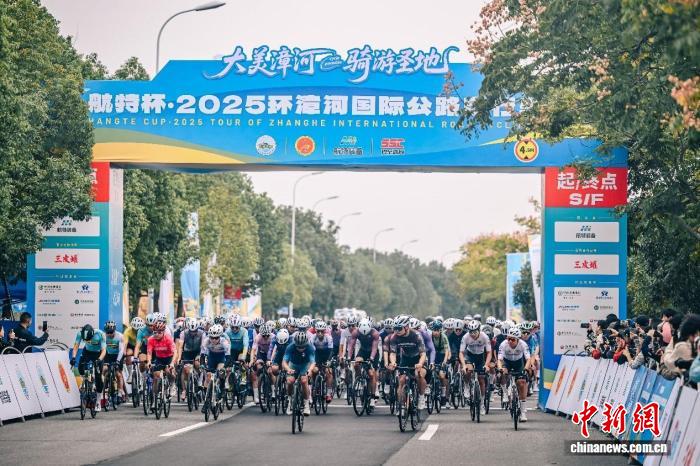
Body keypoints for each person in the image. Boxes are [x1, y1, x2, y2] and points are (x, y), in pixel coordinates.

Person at [387, 315, 427, 410]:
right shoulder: (394, 337)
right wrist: (393, 362)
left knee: (418, 375)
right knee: (401, 380)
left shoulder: (416, 335)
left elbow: (423, 353)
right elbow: (392, 353)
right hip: (405, 359)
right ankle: (402, 405)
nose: (396, 331)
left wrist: (420, 364)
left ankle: (421, 397)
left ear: (406, 327)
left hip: (418, 358)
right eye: (395, 328)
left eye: (399, 328)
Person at [497, 327, 531, 422]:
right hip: (507, 362)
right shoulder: (503, 344)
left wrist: (525, 369)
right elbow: (499, 359)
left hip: (518, 363)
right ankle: (505, 392)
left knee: (521, 383)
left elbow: (528, 359)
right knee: (503, 373)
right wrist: (500, 368)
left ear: (517, 339)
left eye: (512, 339)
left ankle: (523, 412)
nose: (510, 341)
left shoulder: (523, 344)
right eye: (508, 338)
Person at [459, 319, 492, 415]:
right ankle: (466, 385)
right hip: (470, 355)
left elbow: (489, 352)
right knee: (468, 370)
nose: (472, 334)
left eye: (475, 332)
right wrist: (464, 365)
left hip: (481, 357)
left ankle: (482, 404)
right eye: (471, 332)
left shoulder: (484, 337)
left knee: (481, 379)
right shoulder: (465, 337)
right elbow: (461, 353)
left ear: (479, 330)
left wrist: (486, 364)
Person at [71, 324, 106, 410]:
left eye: (89, 339)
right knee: (80, 367)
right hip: (87, 352)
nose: (88, 340)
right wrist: (73, 357)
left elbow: (104, 350)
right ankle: (85, 380)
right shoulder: (80, 333)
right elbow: (76, 346)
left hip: (98, 354)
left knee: (98, 377)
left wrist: (99, 359)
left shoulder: (100, 334)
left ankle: (98, 401)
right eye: (86, 340)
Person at [348, 319, 380, 407]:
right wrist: (349, 357)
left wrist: (371, 358)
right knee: (356, 364)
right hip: (363, 351)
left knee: (371, 374)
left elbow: (374, 348)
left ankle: (372, 397)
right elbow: (351, 345)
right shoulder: (356, 332)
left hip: (373, 353)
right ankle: (359, 379)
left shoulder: (375, 333)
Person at [283, 331, 316, 416]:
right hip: (293, 365)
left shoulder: (310, 347)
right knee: (290, 381)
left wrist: (310, 370)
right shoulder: (290, 347)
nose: (300, 349)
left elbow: (313, 362)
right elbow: (284, 362)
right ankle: (289, 401)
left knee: (304, 381)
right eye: (298, 347)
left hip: (304, 365)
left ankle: (306, 404)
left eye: (303, 347)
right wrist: (288, 369)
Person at [146, 321, 176, 397]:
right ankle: (155, 396)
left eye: (159, 332)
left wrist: (172, 363)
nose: (157, 334)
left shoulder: (168, 338)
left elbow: (175, 352)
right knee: (156, 375)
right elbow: (149, 352)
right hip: (159, 358)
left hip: (169, 358)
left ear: (163, 332)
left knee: (169, 371)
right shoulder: (151, 339)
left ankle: (172, 384)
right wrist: (149, 361)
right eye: (155, 332)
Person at [309, 321, 334, 402]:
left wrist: (329, 361)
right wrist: (312, 362)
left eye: (322, 331)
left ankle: (329, 393)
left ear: (325, 331)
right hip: (317, 355)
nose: (320, 333)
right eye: (318, 331)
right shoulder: (312, 338)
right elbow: (311, 351)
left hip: (326, 355)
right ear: (315, 331)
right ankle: (314, 386)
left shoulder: (328, 338)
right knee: (314, 370)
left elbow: (331, 351)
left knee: (328, 372)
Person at [102, 321, 126, 402]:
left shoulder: (120, 336)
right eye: (108, 332)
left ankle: (120, 391)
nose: (109, 334)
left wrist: (118, 361)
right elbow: (101, 349)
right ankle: (104, 386)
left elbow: (121, 350)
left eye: (111, 332)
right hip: (108, 355)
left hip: (117, 355)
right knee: (104, 369)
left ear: (114, 330)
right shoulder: (103, 336)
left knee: (118, 374)